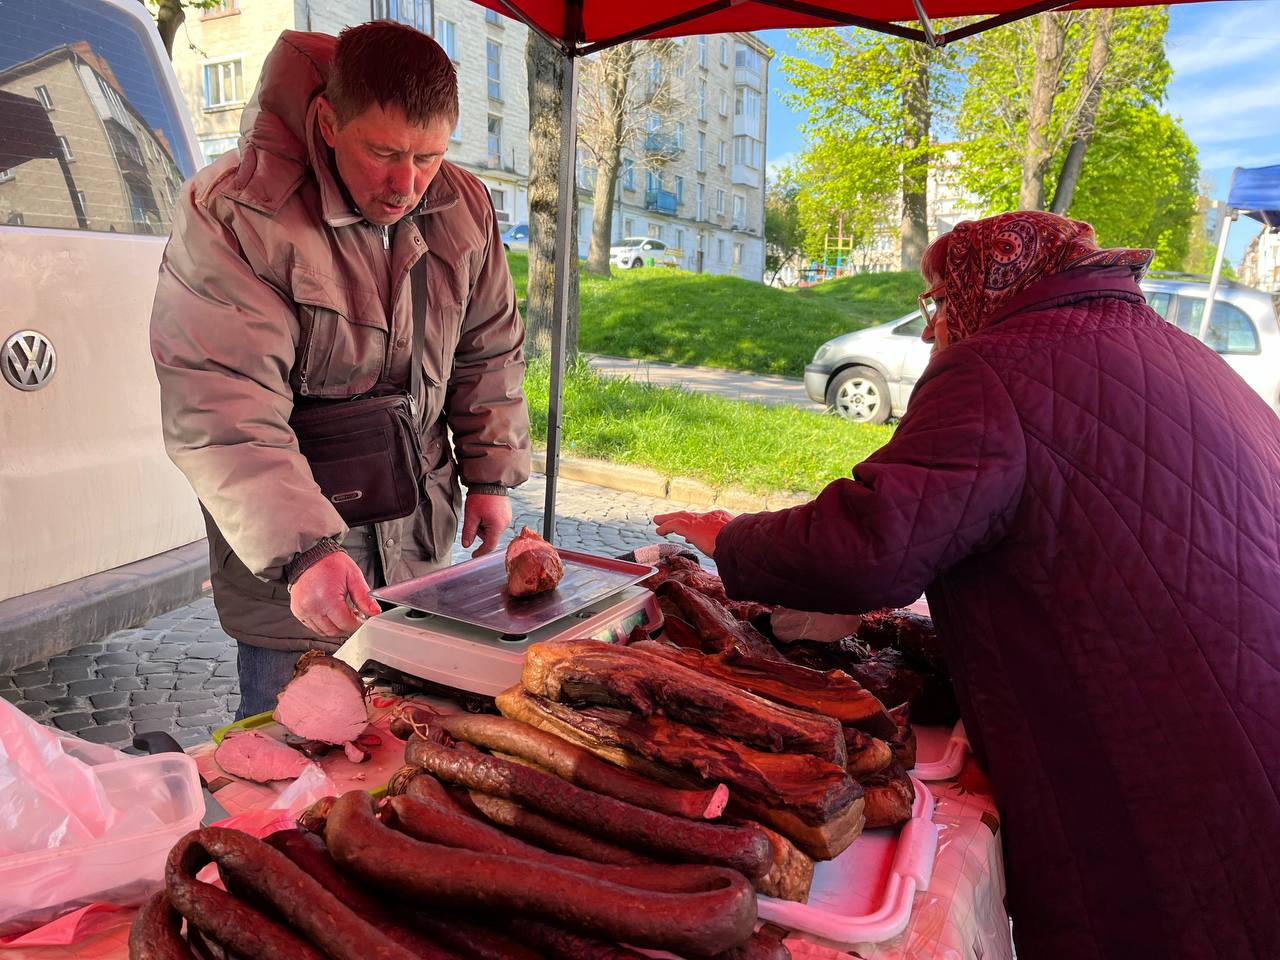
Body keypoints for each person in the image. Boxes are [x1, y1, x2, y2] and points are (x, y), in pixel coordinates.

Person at [656, 211, 1280, 960]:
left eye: (939, 303)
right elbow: (1064, 530)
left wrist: (730, 538)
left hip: (1163, 764)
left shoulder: (997, 363)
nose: (929, 331)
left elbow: (873, 539)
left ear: (991, 287)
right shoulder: (1174, 347)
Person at [151, 23, 530, 718]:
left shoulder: (465, 205)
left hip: (418, 533)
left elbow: (489, 351)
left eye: (429, 157)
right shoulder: (237, 214)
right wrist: (302, 552)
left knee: (415, 747)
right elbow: (223, 407)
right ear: (328, 121)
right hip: (293, 563)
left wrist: (489, 476)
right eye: (382, 153)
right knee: (296, 765)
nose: (406, 184)